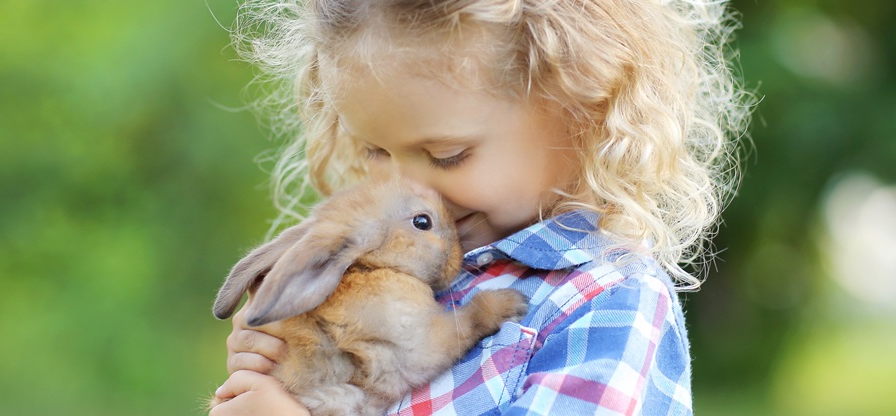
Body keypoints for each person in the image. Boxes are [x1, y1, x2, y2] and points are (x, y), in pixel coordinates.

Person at [209, 0, 751, 414]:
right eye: (374, 150)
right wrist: (287, 364)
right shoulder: (386, 264)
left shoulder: (605, 304)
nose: (404, 184)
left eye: (447, 155)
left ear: (580, 107)